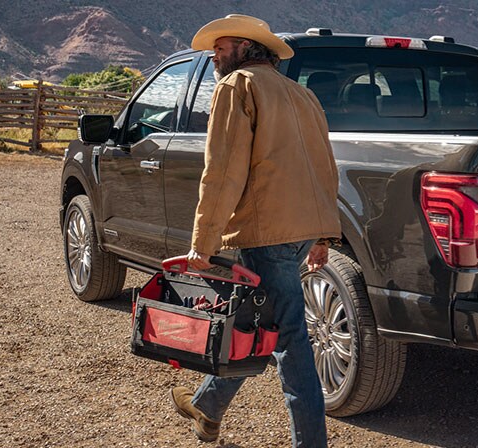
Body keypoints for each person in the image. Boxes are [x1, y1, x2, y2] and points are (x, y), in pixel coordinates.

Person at [169, 14, 341, 447]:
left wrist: (202, 243)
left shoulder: (237, 85)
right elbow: (324, 165)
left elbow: (223, 171)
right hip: (301, 228)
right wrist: (322, 235)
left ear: (246, 48)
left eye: (221, 48)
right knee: (255, 321)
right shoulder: (302, 94)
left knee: (290, 340)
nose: (214, 56)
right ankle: (208, 406)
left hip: (266, 232)